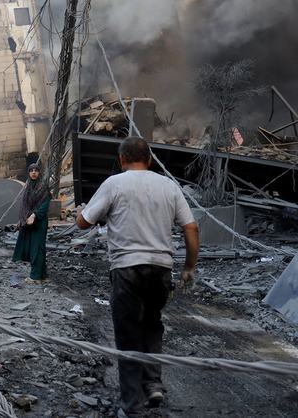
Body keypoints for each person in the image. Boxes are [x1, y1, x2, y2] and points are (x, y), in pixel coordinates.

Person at [76, 137, 199, 417]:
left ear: (122, 160)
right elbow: (191, 228)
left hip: (126, 268)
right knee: (152, 325)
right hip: (161, 269)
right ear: (150, 159)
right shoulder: (168, 185)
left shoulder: (114, 183)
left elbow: (84, 222)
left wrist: (79, 213)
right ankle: (153, 384)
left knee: (128, 334)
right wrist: (189, 267)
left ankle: (132, 407)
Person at [12, 163, 51, 284]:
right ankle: (42, 275)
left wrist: (34, 215)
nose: (33, 172)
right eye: (31, 171)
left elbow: (45, 205)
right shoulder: (28, 187)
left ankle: (35, 276)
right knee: (35, 248)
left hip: (39, 222)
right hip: (28, 222)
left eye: (36, 170)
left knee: (37, 249)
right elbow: (25, 205)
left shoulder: (43, 187)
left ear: (39, 173)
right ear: (28, 173)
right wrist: (21, 220)